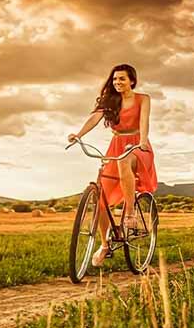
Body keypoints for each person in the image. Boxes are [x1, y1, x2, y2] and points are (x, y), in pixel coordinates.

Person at [67, 63, 158, 267]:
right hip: (116, 144)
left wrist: (143, 140)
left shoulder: (143, 99)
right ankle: (104, 245)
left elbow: (144, 121)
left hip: (138, 146)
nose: (117, 82)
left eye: (122, 79)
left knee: (125, 161)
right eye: (115, 79)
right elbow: (95, 118)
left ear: (132, 81)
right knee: (101, 201)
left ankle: (130, 213)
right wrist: (78, 134)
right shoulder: (111, 100)